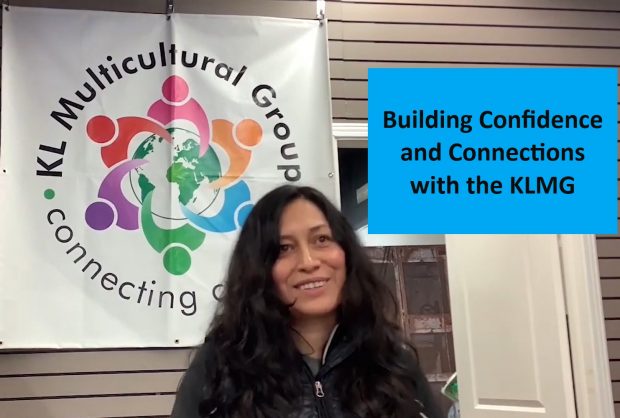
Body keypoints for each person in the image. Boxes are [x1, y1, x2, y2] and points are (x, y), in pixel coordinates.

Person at [171, 185, 441, 418]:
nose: (309, 262)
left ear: (345, 252)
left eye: (321, 239)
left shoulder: (392, 361)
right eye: (284, 248)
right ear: (259, 269)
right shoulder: (220, 367)